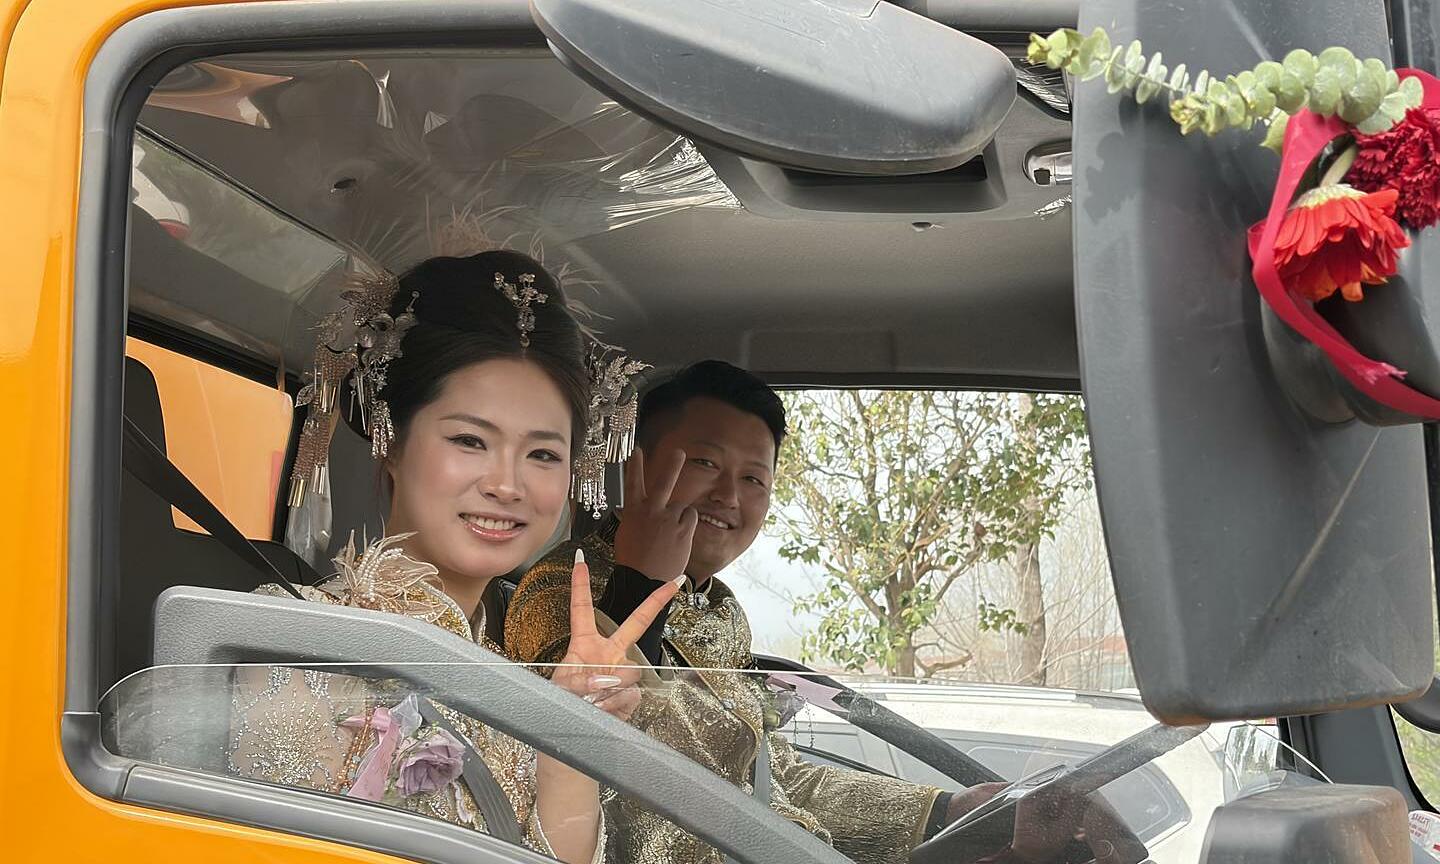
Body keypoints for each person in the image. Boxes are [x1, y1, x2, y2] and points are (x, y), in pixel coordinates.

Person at [227, 251, 678, 864]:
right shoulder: (295, 642)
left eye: (543, 454)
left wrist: (570, 736)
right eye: (470, 440)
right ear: (392, 438)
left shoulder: (531, 673)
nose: (507, 484)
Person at [504, 360, 982, 864]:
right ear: (634, 469)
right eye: (705, 464)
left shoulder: (718, 608)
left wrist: (947, 811)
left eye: (754, 478)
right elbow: (610, 769)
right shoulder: (565, 593)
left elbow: (767, 777)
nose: (729, 496)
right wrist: (639, 581)